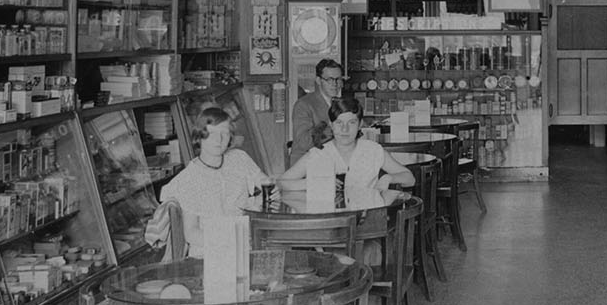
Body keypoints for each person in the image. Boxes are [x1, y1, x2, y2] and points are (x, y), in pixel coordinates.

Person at [146, 106, 269, 257]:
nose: (219, 140)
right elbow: (191, 233)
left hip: (247, 245)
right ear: (200, 136)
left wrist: (263, 197)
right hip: (209, 254)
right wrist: (230, 240)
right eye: (212, 133)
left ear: (230, 137)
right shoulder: (189, 178)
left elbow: (267, 185)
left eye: (224, 133)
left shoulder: (239, 158)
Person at [276, 99, 414, 213]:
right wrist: (314, 183)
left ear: (360, 124)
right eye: (339, 123)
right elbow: (282, 182)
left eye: (351, 123)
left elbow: (410, 178)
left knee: (371, 248)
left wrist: (389, 177)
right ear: (331, 125)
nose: (344, 129)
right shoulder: (318, 153)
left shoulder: (373, 151)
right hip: (329, 225)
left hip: (365, 225)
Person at [287, 59, 345, 158]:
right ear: (319, 80)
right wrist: (334, 128)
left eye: (338, 79)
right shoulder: (303, 104)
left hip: (329, 161)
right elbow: (303, 142)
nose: (335, 84)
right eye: (330, 79)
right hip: (306, 166)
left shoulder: (340, 103)